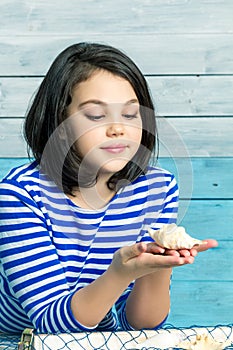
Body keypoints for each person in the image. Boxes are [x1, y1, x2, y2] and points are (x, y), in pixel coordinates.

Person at [0, 42, 217, 334]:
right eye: (96, 116)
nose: (118, 128)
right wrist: (118, 274)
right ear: (60, 127)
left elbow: (138, 325)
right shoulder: (21, 195)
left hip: (100, 338)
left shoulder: (157, 188)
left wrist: (161, 262)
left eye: (130, 115)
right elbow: (51, 324)